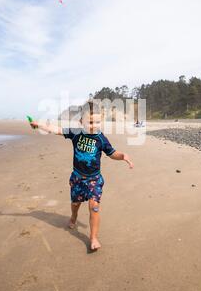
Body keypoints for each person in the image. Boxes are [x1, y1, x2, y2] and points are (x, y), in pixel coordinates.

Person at [30, 101, 134, 251]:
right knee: (75, 204)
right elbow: (56, 129)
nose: (94, 125)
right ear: (81, 121)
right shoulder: (75, 133)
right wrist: (39, 124)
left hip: (94, 179)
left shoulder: (101, 139)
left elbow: (112, 153)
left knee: (94, 207)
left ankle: (93, 238)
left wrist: (122, 155)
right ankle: (73, 217)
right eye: (90, 122)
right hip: (77, 178)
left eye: (97, 122)